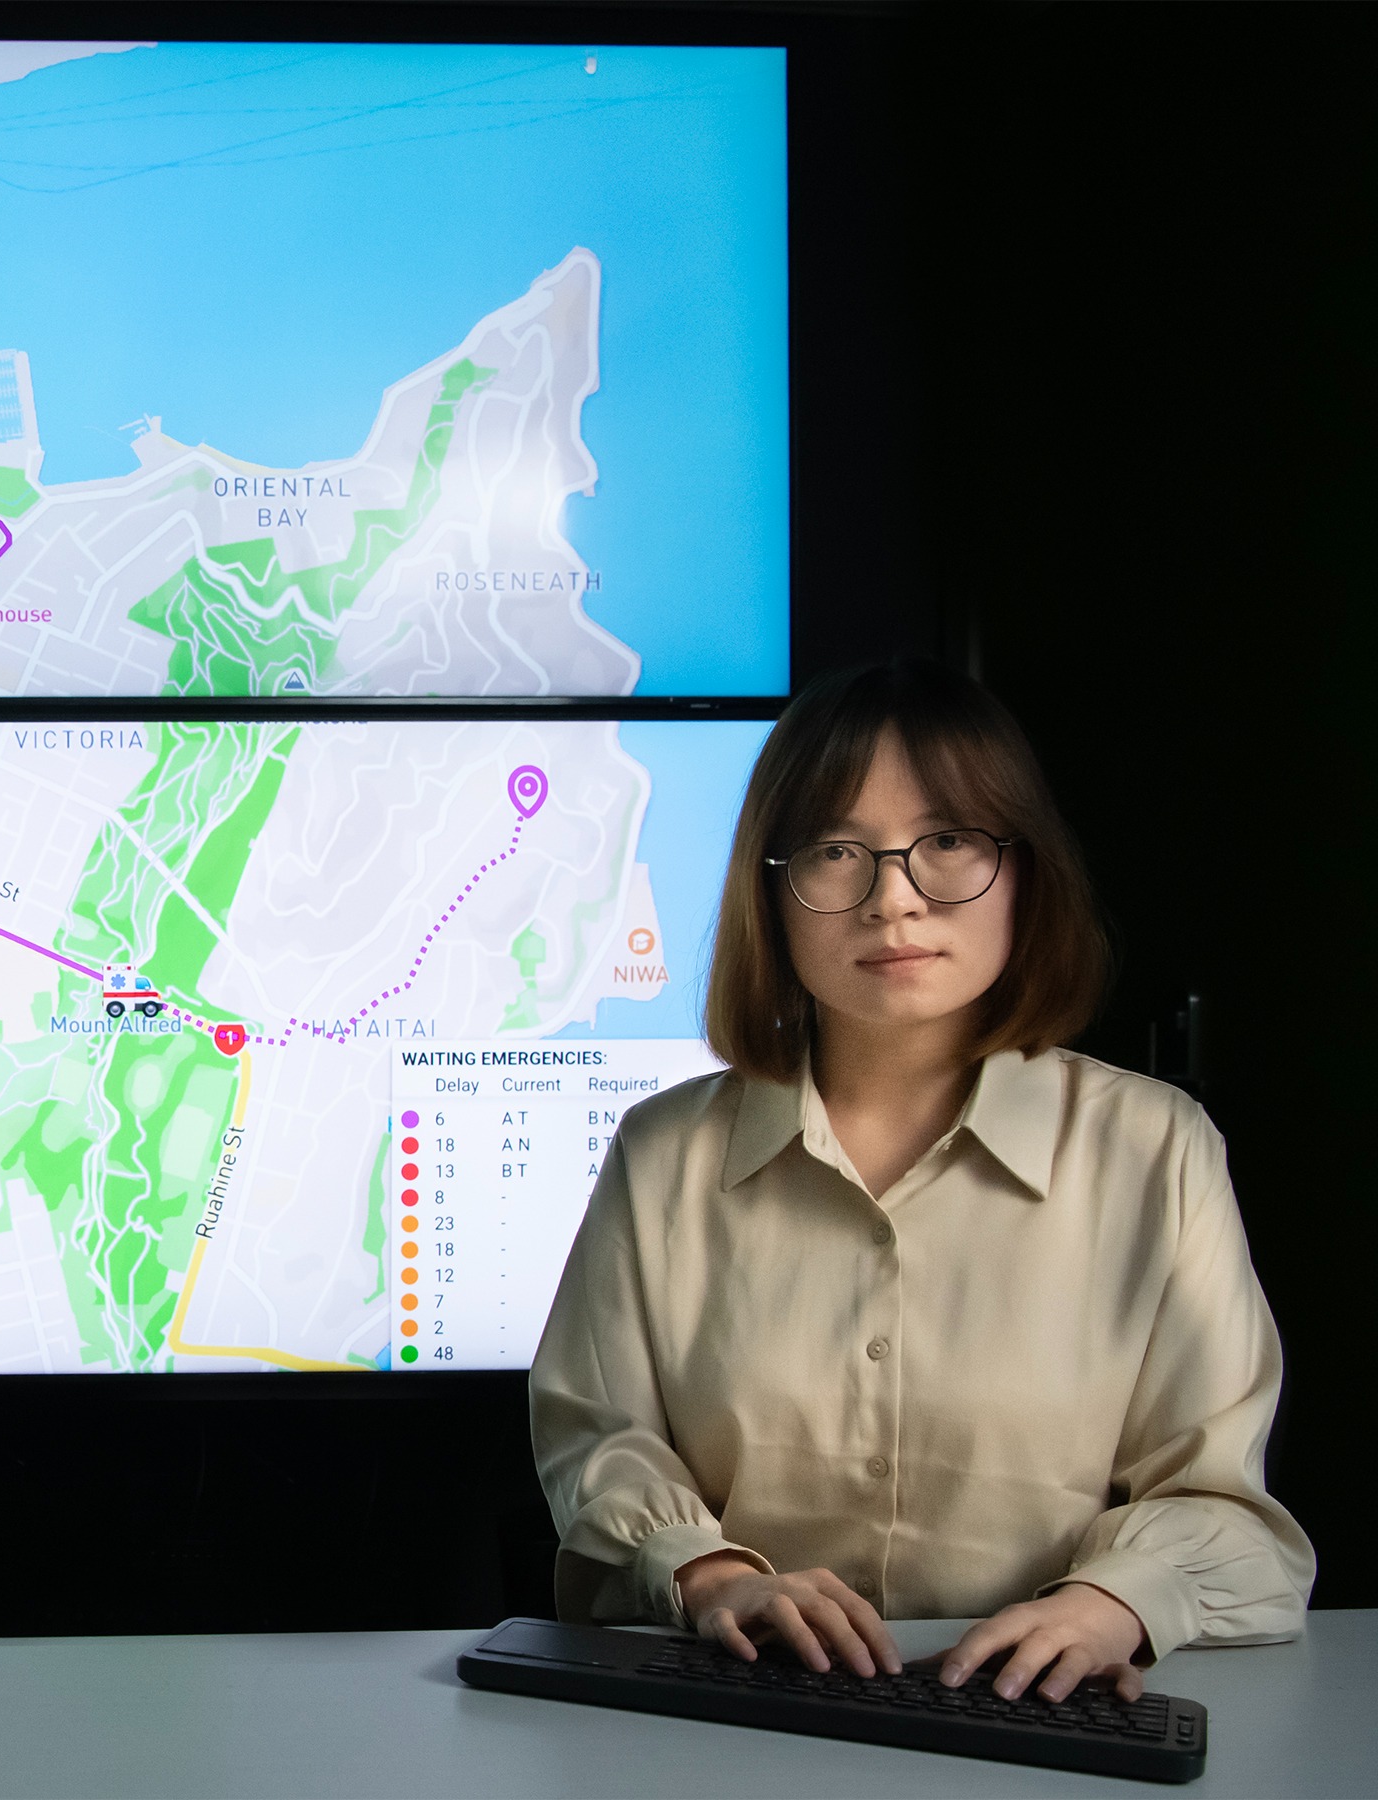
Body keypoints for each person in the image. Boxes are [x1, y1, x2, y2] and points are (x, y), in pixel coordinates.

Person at [529, 659, 1311, 1703]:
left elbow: (1223, 1507)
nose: (891, 899)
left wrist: (1108, 1606)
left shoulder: (1153, 1149)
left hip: (1048, 1726)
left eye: (946, 841)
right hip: (737, 1718)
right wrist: (710, 1578)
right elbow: (598, 1439)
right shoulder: (660, 1152)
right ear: (770, 889)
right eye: (835, 850)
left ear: (1021, 869)